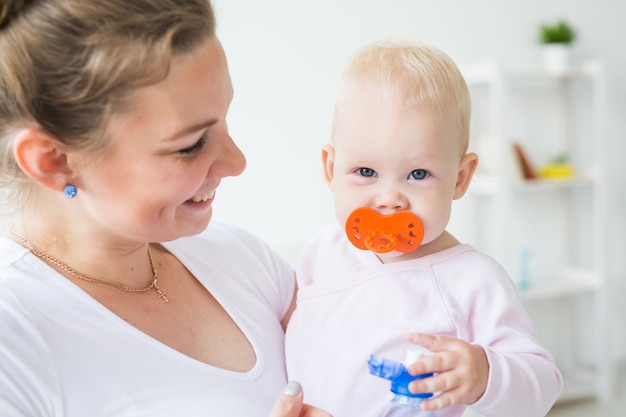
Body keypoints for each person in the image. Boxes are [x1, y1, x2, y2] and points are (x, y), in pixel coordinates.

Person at [0, 1, 330, 416]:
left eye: (224, 119)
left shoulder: (245, 261)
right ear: (53, 160)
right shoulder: (13, 342)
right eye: (189, 145)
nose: (237, 162)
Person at [285, 40, 563, 417]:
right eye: (366, 172)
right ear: (332, 169)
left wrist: (485, 375)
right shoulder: (321, 251)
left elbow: (543, 385)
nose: (389, 199)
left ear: (460, 178)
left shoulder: (472, 281)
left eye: (418, 174)